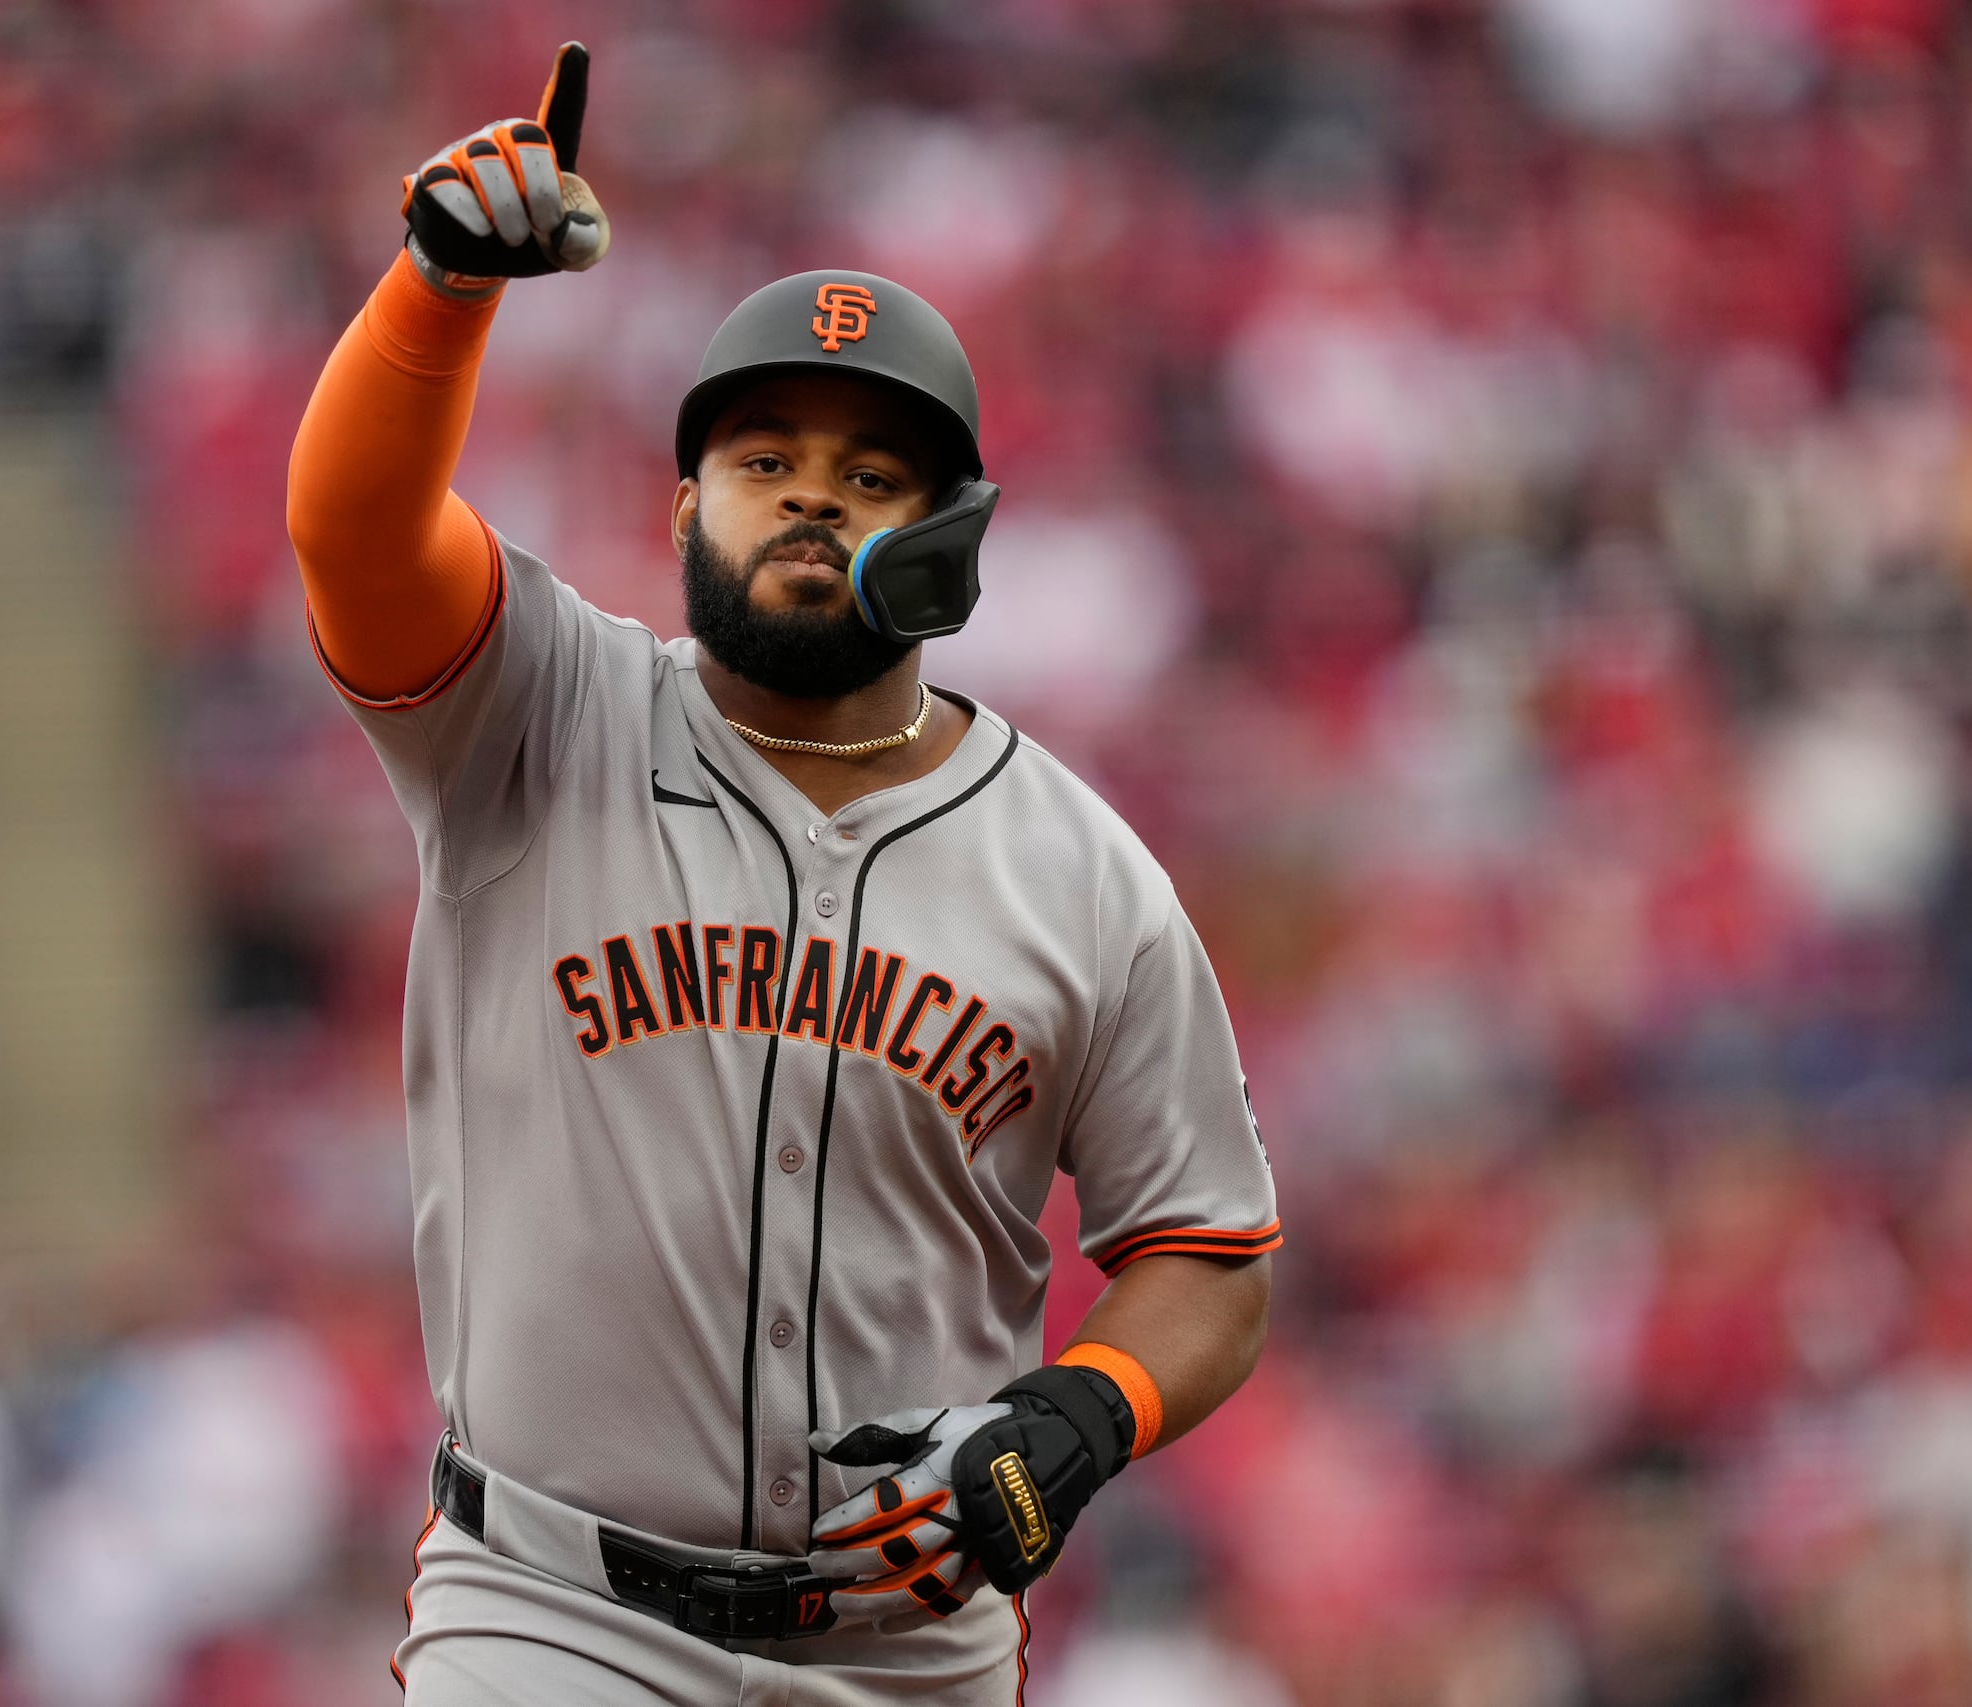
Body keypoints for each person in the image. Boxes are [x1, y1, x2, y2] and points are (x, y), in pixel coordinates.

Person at [285, 42, 1278, 1705]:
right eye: (762, 463)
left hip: (907, 1653)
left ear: (953, 537)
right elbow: (356, 537)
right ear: (683, 505)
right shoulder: (538, 712)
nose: (810, 493)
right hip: (551, 1610)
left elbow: (1208, 1259)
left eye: (872, 474)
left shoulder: (1083, 874)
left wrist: (1084, 1412)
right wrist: (441, 291)